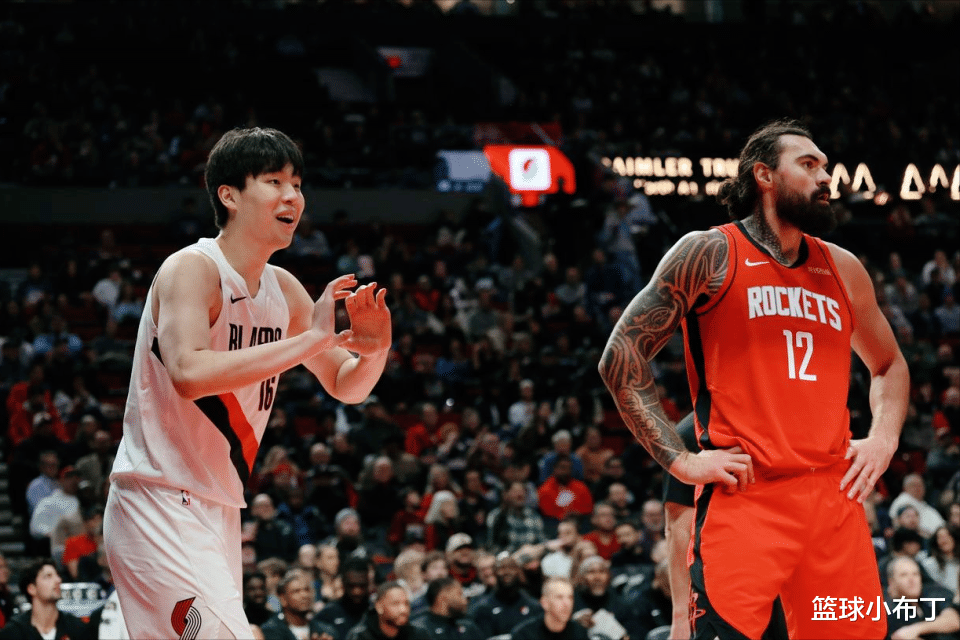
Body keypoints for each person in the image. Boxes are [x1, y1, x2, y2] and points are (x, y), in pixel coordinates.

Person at [598, 118, 909, 640]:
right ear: (764, 175)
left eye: (825, 166)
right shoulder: (709, 253)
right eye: (808, 164)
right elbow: (621, 357)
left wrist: (884, 438)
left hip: (832, 499)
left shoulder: (843, 268)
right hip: (746, 496)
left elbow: (889, 365)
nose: (825, 176)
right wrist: (680, 460)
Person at [103, 127, 392, 640]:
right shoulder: (191, 270)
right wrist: (312, 341)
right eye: (274, 181)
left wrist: (375, 350)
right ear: (229, 195)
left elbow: (346, 384)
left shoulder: (284, 289)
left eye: (297, 184)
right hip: (158, 497)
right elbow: (189, 373)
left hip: (218, 506)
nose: (293, 196)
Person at [0, 558, 87, 640]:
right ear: (31, 589)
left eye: (58, 575)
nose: (58, 580)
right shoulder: (13, 632)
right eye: (48, 576)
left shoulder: (76, 627)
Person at [259, 569, 337, 640]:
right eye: (296, 591)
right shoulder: (269, 631)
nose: (304, 595)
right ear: (283, 599)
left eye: (307, 590)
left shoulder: (326, 631)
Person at [509, 576, 589, 640]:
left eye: (570, 597)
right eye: (559, 597)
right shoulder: (524, 635)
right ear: (545, 603)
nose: (567, 603)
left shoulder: (580, 633)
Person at [345, 581, 430, 640]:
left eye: (406, 603)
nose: (403, 610)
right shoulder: (360, 636)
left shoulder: (419, 634)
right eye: (395, 604)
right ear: (378, 606)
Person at [410, 577, 484, 640]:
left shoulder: (468, 625)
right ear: (443, 596)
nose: (465, 601)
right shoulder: (420, 630)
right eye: (459, 594)